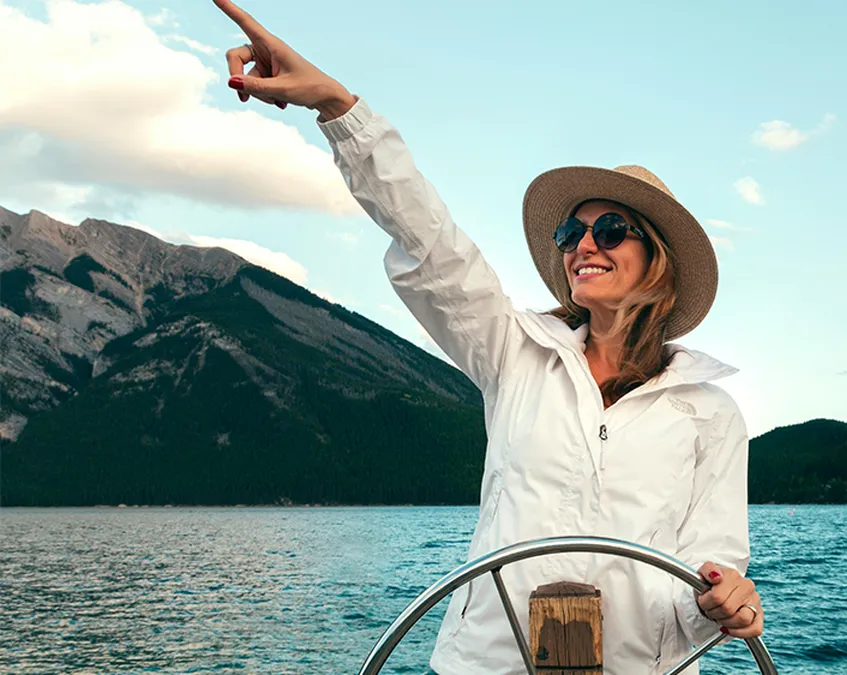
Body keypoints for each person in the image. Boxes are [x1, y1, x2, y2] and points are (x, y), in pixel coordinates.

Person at [212, 2, 765, 672]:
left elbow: (704, 574)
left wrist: (720, 601)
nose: (584, 243)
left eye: (610, 230)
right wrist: (338, 107)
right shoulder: (514, 352)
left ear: (657, 261)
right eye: (571, 232)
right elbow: (431, 246)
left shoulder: (710, 413)